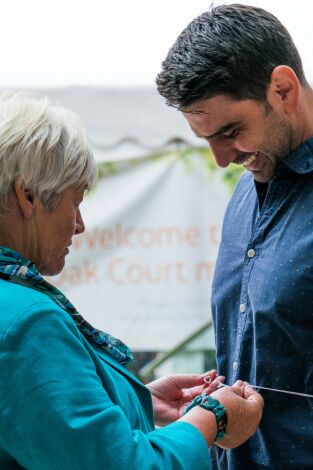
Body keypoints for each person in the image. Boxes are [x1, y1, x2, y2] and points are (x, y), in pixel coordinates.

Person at [0, 92, 263, 469]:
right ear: (27, 195)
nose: (80, 225)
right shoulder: (25, 324)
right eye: (75, 201)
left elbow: (48, 428)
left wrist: (135, 398)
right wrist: (211, 416)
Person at [156, 3, 313, 469]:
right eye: (206, 140)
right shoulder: (247, 190)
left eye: (231, 131)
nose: (221, 159)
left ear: (283, 90)